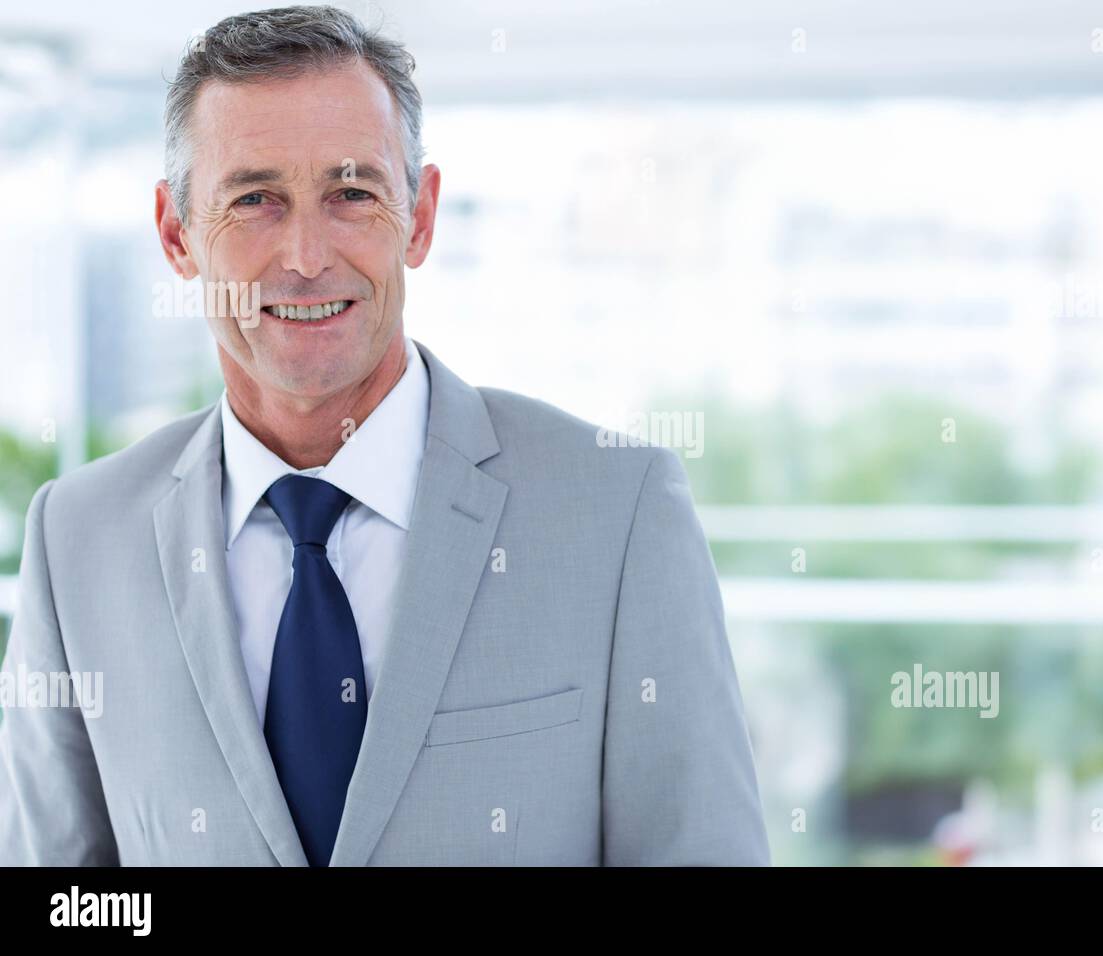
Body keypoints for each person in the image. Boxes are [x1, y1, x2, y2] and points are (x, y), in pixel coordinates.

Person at [0, 4, 769, 866]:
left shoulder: (617, 511)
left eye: (352, 193)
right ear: (177, 235)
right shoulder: (77, 539)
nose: (304, 254)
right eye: (254, 199)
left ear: (421, 216)